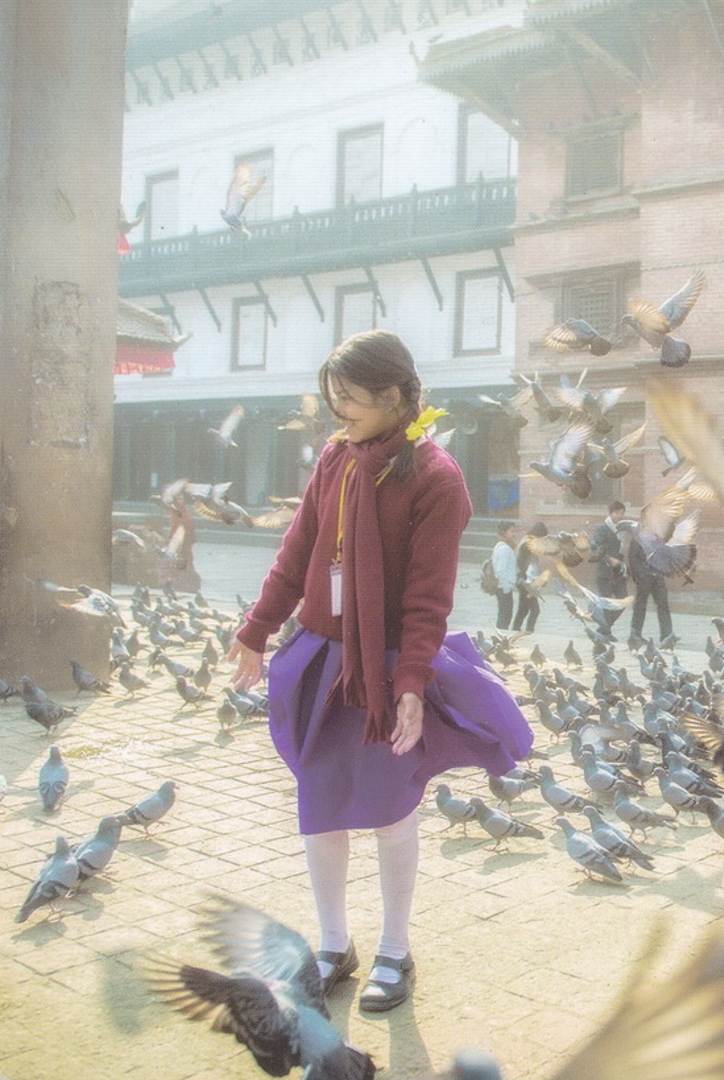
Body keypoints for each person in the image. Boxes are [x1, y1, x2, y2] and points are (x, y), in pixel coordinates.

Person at [227, 329, 533, 1014]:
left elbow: (428, 598)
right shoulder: (337, 459)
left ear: (394, 398)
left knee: (393, 811)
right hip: (321, 655)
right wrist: (254, 631)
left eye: (351, 401)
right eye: (333, 400)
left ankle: (395, 948)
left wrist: (412, 686)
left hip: (387, 666)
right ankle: (333, 944)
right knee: (320, 806)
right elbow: (296, 548)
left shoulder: (436, 479)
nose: (339, 414)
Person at [625, 514, 673, 648]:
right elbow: (633, 559)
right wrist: (643, 575)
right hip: (644, 578)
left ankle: (667, 636)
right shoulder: (637, 540)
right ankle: (635, 635)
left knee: (663, 605)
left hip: (658, 577)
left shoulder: (659, 540)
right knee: (640, 606)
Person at [590, 501, 629, 636]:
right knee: (606, 603)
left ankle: (604, 629)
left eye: (623, 513)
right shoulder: (602, 529)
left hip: (618, 573)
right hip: (605, 573)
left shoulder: (622, 530)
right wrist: (609, 559)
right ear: (611, 513)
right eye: (618, 513)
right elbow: (596, 549)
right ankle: (605, 631)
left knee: (622, 601)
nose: (621, 516)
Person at [511, 521, 547, 633]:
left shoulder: (526, 541)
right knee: (535, 610)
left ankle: (515, 630)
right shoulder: (528, 545)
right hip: (526, 582)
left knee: (523, 609)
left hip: (522, 580)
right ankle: (529, 632)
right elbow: (524, 564)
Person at [491, 522, 520, 630]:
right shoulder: (504, 549)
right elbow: (500, 570)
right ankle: (500, 637)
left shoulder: (502, 546)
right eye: (512, 531)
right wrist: (506, 587)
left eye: (514, 531)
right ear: (504, 532)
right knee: (505, 615)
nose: (514, 534)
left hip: (503, 586)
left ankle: (500, 636)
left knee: (504, 613)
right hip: (503, 587)